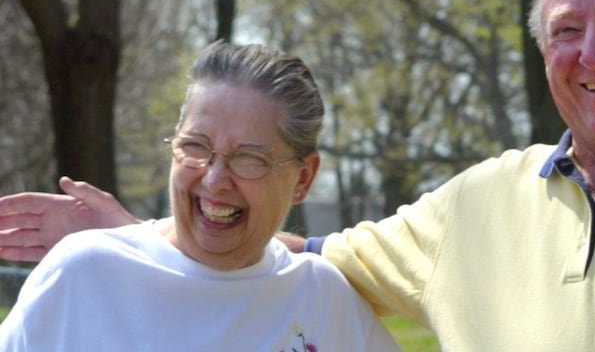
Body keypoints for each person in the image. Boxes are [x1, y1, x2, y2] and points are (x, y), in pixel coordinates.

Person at [1, 0, 595, 351]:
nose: (593, 55)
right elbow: (285, 248)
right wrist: (140, 238)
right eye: (567, 32)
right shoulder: (480, 202)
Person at [0, 41, 400, 351]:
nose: (215, 180)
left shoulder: (323, 299)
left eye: (249, 158)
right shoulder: (84, 275)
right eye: (195, 146)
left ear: (304, 177)